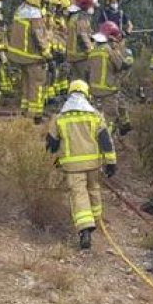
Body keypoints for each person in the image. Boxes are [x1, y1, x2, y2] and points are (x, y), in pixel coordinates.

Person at [45, 80, 117, 250]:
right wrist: (111, 163)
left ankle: (85, 229)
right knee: (93, 189)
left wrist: (55, 158)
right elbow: (106, 141)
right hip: (93, 164)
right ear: (86, 95)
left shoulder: (60, 118)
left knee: (79, 194)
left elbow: (51, 144)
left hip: (72, 167)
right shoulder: (95, 116)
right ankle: (96, 221)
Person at [7, 0, 53, 123]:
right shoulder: (35, 15)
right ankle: (35, 114)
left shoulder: (20, 11)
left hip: (20, 56)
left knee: (26, 83)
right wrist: (46, 53)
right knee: (37, 84)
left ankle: (25, 110)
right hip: (33, 57)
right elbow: (38, 36)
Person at [68, 0, 98, 79]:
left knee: (75, 82)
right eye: (92, 6)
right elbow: (82, 35)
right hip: (80, 56)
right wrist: (91, 50)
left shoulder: (75, 16)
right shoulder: (81, 18)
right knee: (84, 81)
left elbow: (86, 33)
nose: (93, 8)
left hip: (73, 56)